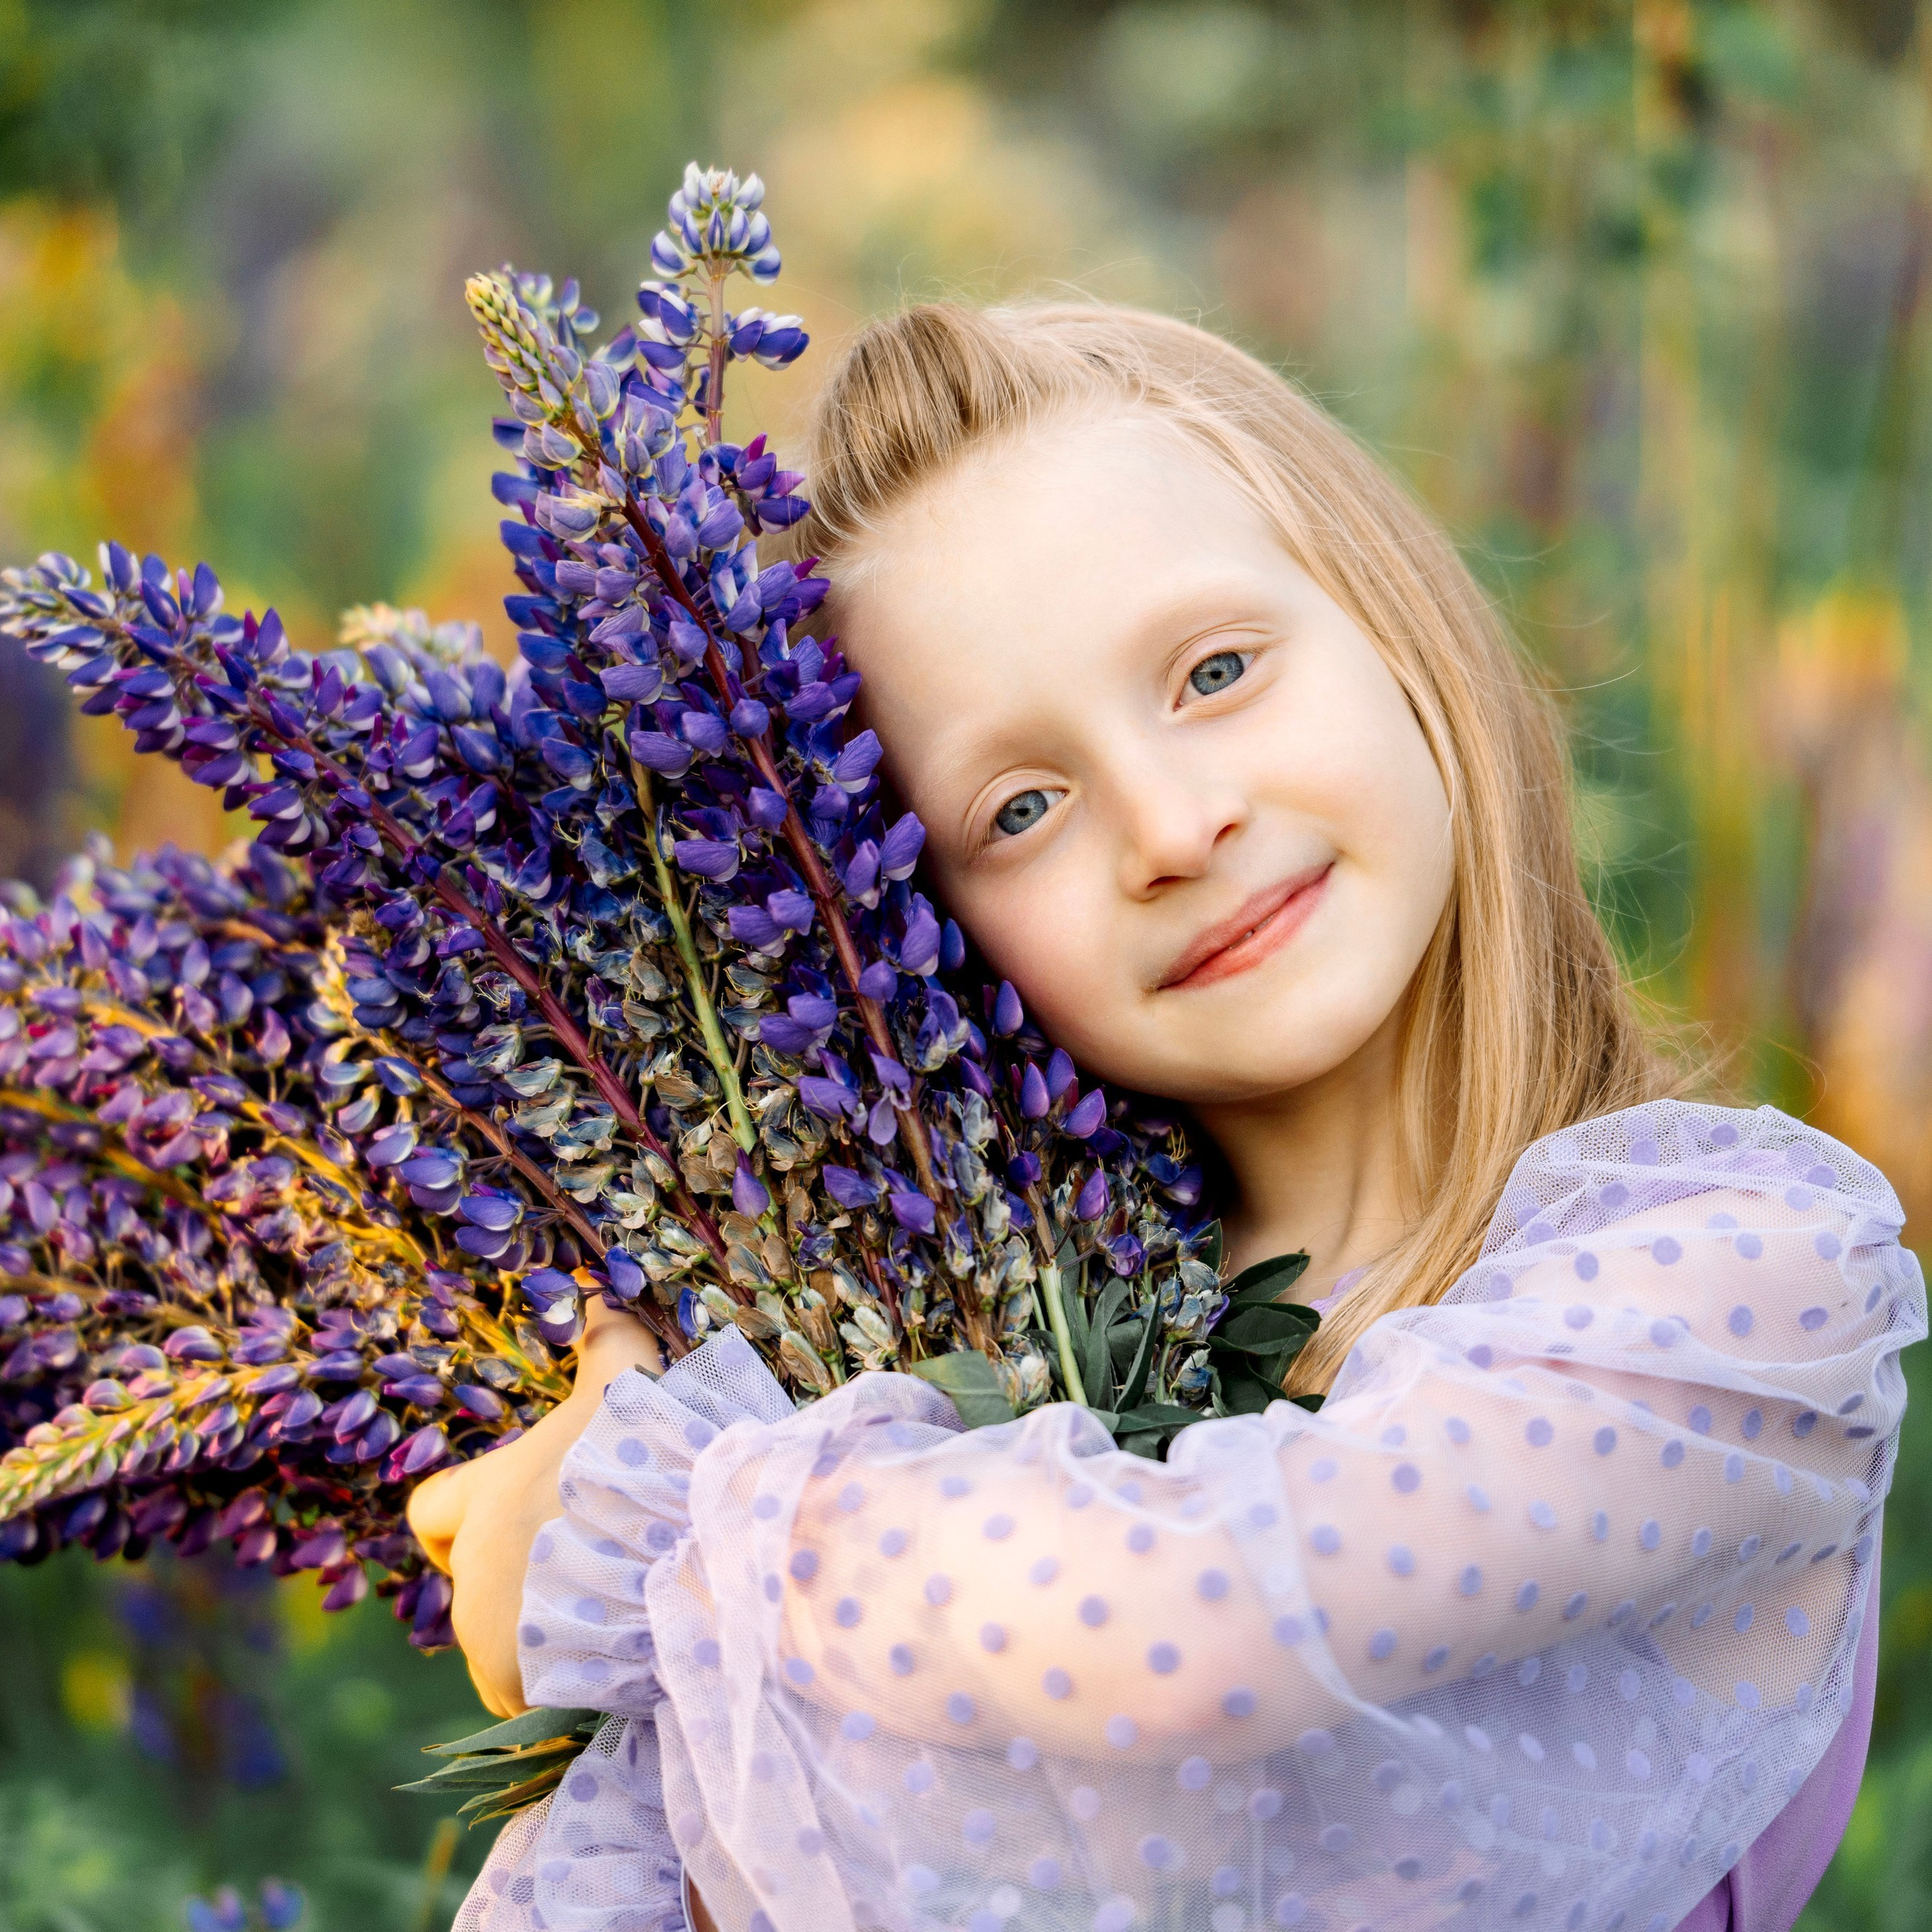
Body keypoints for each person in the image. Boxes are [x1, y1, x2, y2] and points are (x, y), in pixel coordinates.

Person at [408, 303, 1924, 1932]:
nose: (1169, 824)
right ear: (924, 933)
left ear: (1396, 628)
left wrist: (646, 1533)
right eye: (1020, 807)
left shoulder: (1736, 1289)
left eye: (1212, 671)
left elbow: (1213, 1617)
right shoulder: (970, 1389)